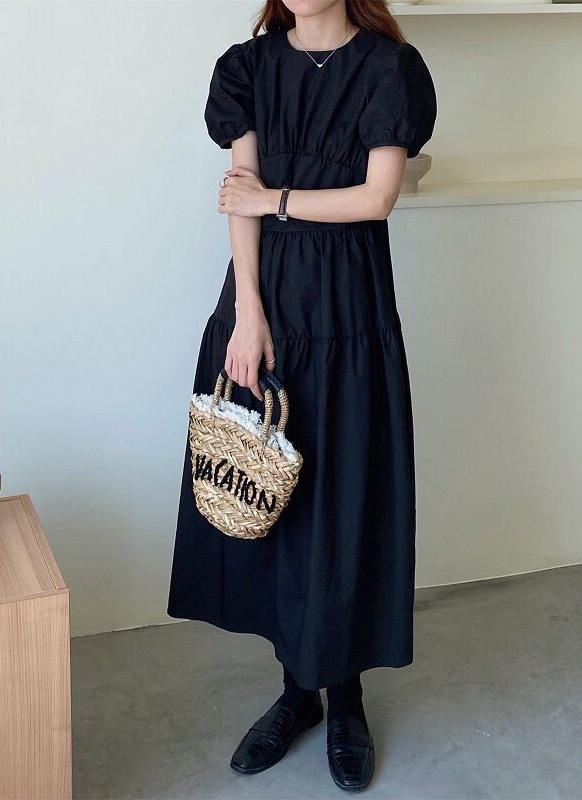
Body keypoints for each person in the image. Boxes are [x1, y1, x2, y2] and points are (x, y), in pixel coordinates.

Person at [168, 0, 436, 790]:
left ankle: (344, 696)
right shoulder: (247, 67)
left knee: (344, 499)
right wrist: (248, 316)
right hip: (266, 303)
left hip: (350, 305)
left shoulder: (388, 68)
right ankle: (297, 693)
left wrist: (273, 199)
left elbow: (375, 197)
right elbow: (239, 194)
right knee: (275, 498)